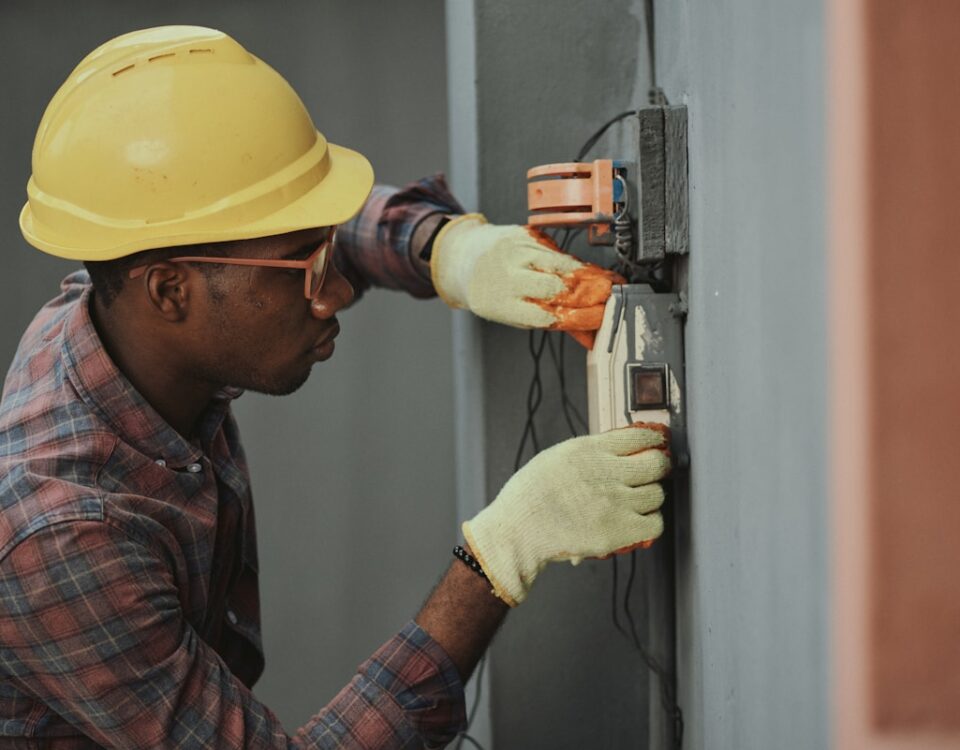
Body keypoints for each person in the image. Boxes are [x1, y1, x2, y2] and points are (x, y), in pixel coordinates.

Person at [0, 26, 670, 748]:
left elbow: (282, 229)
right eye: (306, 270)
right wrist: (498, 557)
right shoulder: (60, 534)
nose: (334, 295)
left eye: (325, 252)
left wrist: (445, 249)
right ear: (169, 291)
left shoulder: (126, 299)